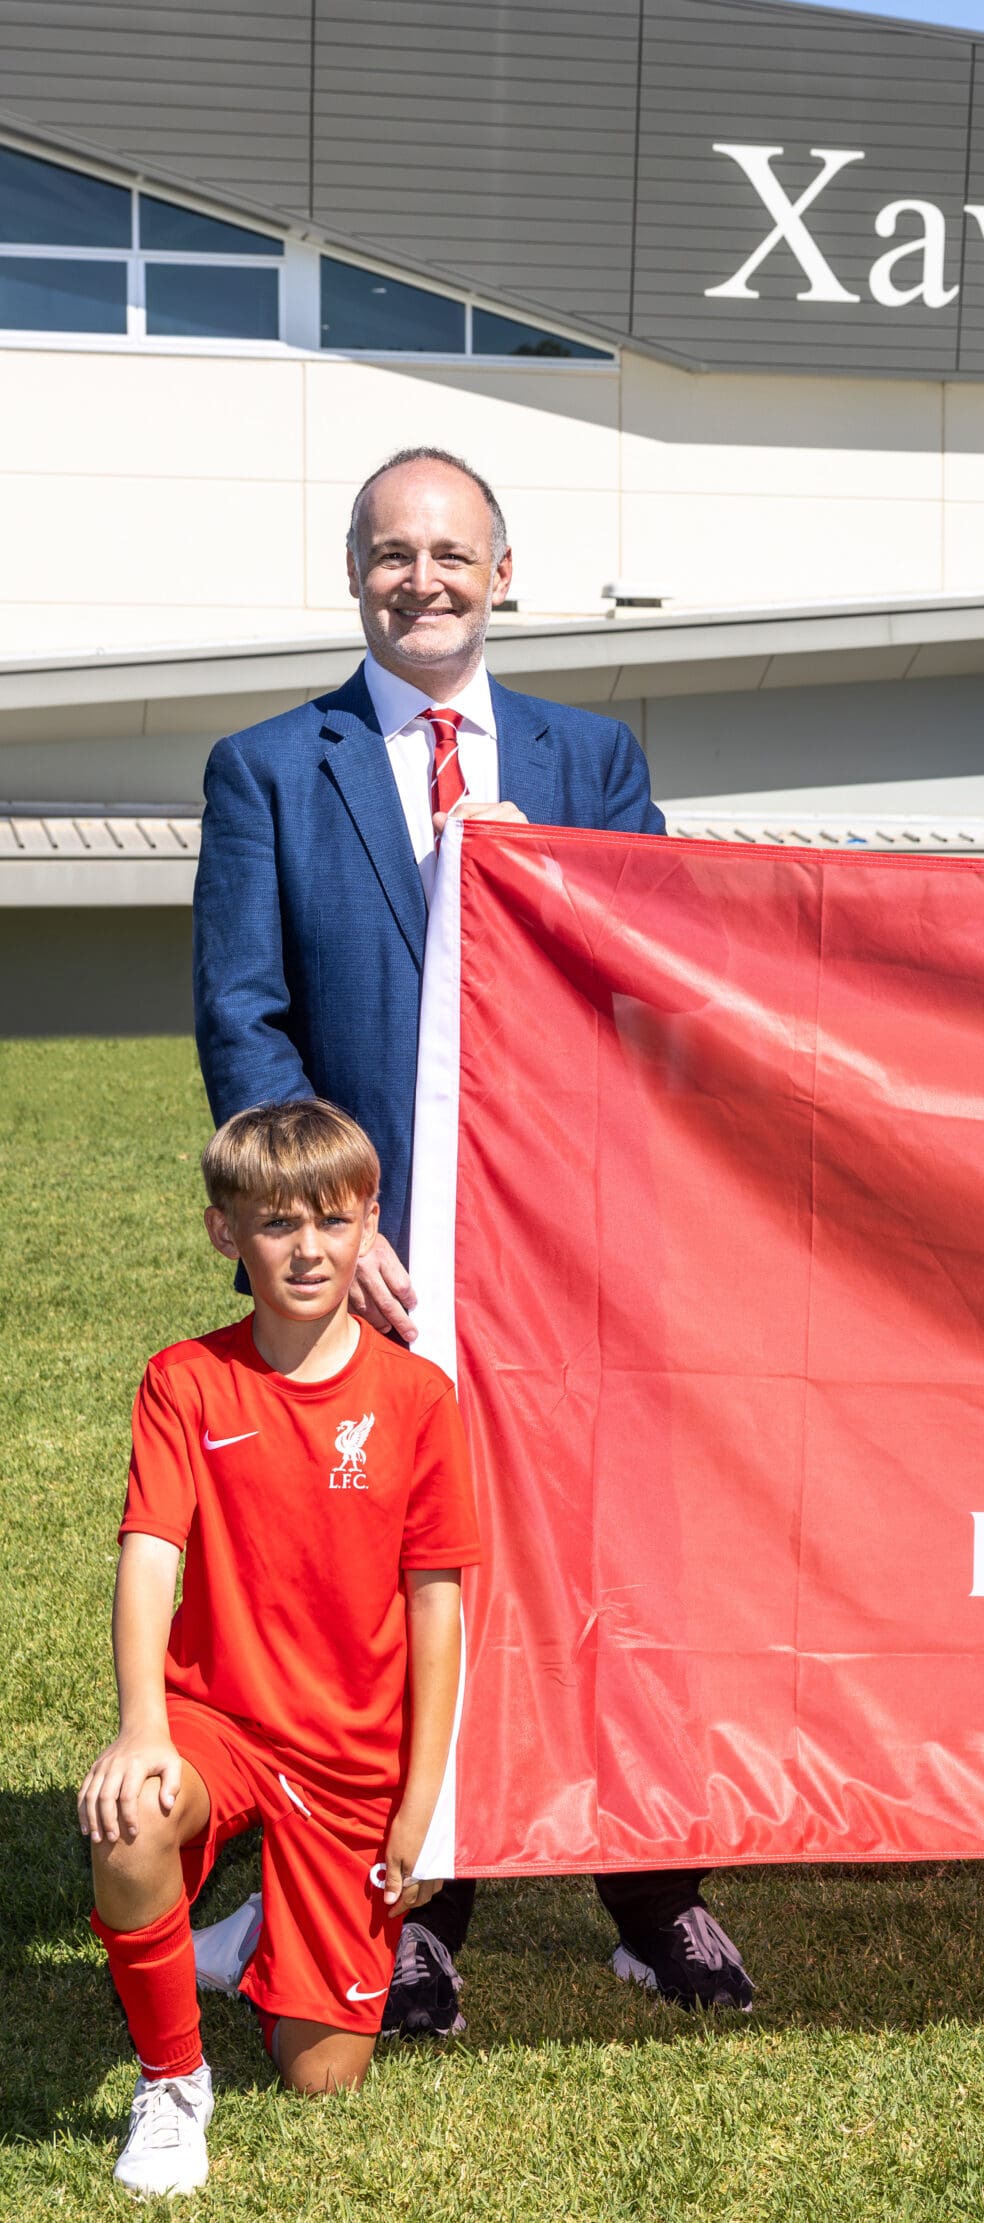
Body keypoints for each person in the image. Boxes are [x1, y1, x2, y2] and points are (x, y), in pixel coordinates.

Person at [190, 445, 754, 2031]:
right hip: (379, 1267)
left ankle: (655, 1891)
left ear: (506, 572)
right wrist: (324, 1221)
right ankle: (417, 1892)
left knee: (603, 1562)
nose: (420, 578)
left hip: (571, 1254)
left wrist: (563, 892)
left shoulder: (593, 757)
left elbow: (664, 984)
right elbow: (247, 1019)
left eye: (452, 551)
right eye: (390, 552)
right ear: (353, 572)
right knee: (392, 1584)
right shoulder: (266, 769)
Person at [79, 1102, 475, 2197]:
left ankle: (255, 1935)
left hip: (351, 1756)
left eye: (332, 1220)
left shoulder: (419, 1399)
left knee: (321, 2075)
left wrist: (421, 1802)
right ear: (225, 1233)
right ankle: (171, 2081)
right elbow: (149, 1556)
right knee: (130, 1820)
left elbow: (438, 1609)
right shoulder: (183, 1380)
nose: (307, 1248)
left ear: (369, 1225)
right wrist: (142, 1729)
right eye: (276, 1222)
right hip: (221, 1723)